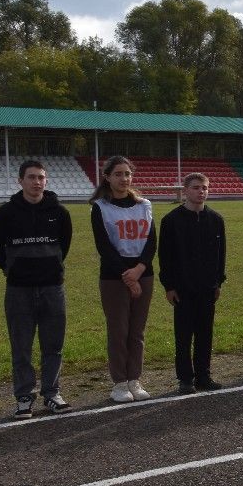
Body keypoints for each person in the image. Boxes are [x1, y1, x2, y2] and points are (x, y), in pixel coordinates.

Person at [0, 159, 73, 419]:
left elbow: (65, 246)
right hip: (19, 290)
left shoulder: (59, 212)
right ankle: (24, 396)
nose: (36, 182)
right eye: (31, 177)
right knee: (21, 346)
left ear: (46, 181)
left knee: (53, 344)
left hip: (52, 288)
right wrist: (13, 269)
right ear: (20, 181)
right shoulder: (5, 213)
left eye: (41, 177)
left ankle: (52, 393)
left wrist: (50, 268)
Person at [91, 155, 157, 402]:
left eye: (127, 174)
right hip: (114, 276)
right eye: (118, 174)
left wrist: (140, 269)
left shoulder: (144, 204)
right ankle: (119, 382)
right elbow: (104, 247)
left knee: (137, 331)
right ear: (107, 177)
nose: (123, 179)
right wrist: (128, 277)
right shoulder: (100, 207)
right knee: (118, 329)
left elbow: (151, 241)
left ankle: (134, 379)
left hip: (143, 273)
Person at [158, 172, 226, 394]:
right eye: (196, 188)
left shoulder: (216, 220)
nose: (201, 192)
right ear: (185, 191)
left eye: (204, 188)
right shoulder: (171, 221)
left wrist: (218, 283)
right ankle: (185, 378)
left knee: (205, 334)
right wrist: (169, 286)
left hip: (207, 288)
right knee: (183, 335)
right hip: (183, 289)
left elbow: (220, 255)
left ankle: (204, 375)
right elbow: (165, 257)